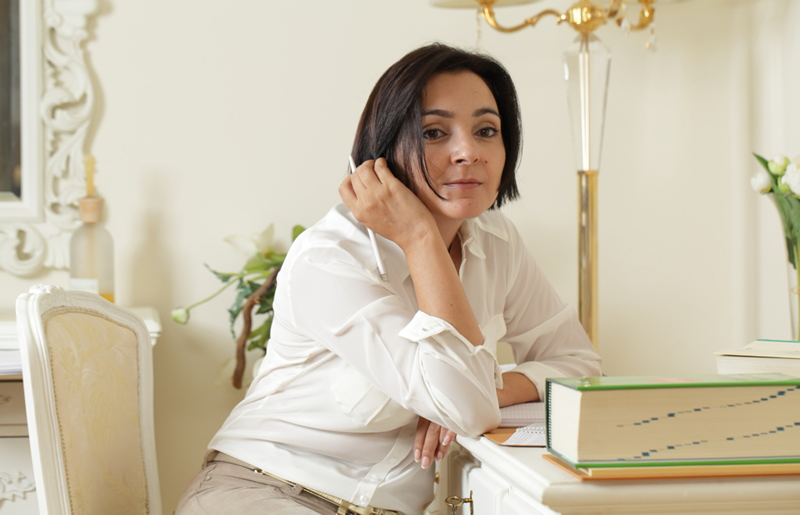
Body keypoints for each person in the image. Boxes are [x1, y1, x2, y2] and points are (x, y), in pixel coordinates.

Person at [175, 42, 601, 515]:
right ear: (383, 151)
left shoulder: (498, 243)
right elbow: (466, 406)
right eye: (434, 132)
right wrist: (420, 237)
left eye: (486, 130)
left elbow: (579, 365)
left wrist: (488, 390)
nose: (468, 152)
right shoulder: (331, 257)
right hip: (267, 490)